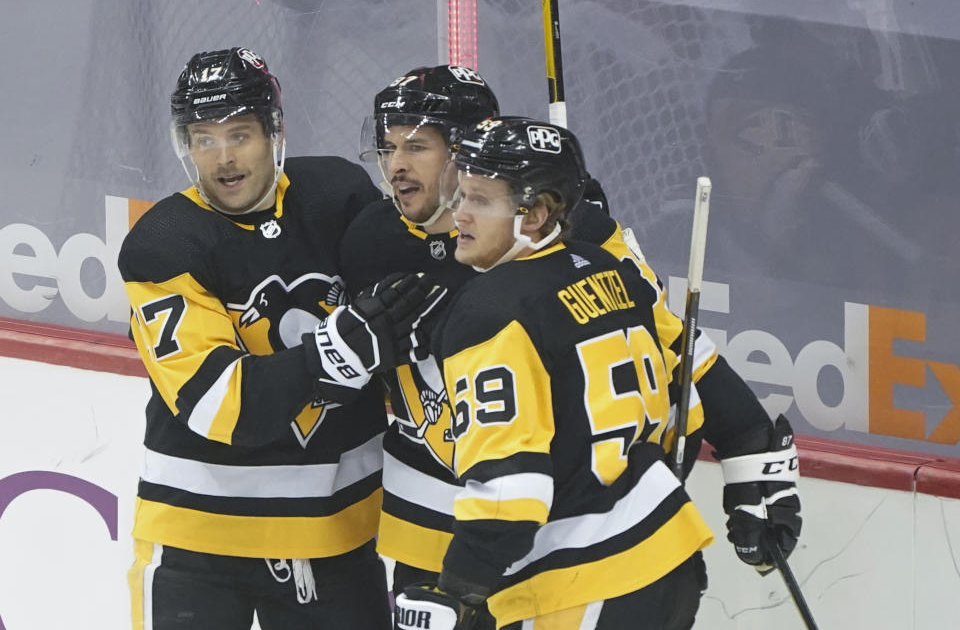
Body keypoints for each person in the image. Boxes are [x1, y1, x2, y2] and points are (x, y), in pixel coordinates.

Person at [394, 117, 804, 630]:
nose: (460, 214)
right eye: (461, 194)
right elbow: (689, 411)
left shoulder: (490, 312)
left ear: (538, 214)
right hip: (667, 566)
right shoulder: (615, 273)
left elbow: (510, 494)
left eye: (480, 200)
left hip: (576, 587)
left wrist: (456, 591)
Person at [118, 47, 442, 630]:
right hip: (200, 545)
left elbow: (443, 255)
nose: (222, 158)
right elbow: (218, 403)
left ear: (275, 131)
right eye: (203, 138)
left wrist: (569, 226)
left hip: (337, 533)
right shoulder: (164, 242)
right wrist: (333, 353)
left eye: (239, 134)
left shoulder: (337, 197)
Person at [340, 65, 634, 615]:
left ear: (470, 152)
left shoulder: (556, 240)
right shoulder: (369, 238)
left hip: (543, 529)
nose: (396, 165)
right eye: (387, 147)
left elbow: (641, 335)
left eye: (418, 147)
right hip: (424, 530)